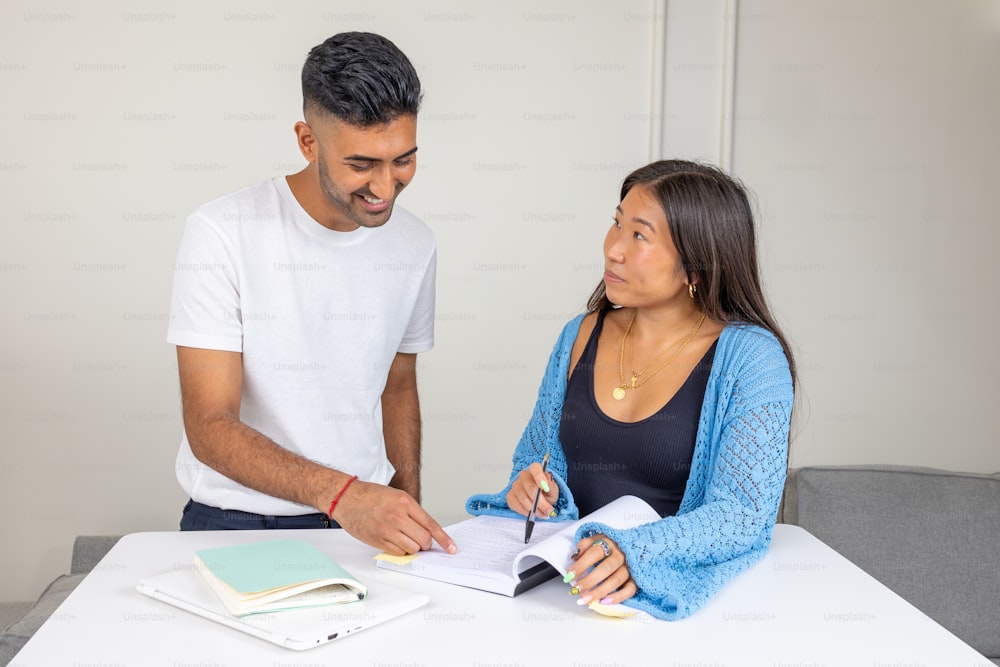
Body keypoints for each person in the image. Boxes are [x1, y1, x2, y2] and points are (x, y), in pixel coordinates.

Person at [466, 159, 795, 619]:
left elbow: (742, 516)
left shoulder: (751, 360)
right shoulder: (578, 335)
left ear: (695, 266)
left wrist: (633, 550)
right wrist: (538, 489)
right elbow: (535, 458)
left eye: (639, 235)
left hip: (663, 608)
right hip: (563, 596)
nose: (613, 250)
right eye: (616, 224)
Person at [167, 32, 455, 557]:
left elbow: (398, 384)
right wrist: (342, 495)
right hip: (235, 522)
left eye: (403, 161)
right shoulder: (221, 231)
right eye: (362, 165)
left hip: (362, 521)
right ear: (307, 141)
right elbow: (209, 425)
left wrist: (406, 501)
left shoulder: (416, 243)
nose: (386, 188)